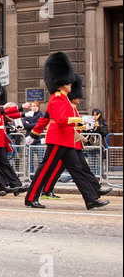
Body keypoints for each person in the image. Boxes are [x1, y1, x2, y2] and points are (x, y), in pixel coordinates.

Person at [24, 52, 109, 210]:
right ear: (61, 82)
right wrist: (81, 120)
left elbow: (45, 119)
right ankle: (30, 198)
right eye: (68, 82)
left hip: (66, 140)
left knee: (78, 171)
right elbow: (62, 120)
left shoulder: (62, 98)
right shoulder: (58, 98)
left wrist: (34, 134)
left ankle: (91, 199)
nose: (71, 83)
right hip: (58, 139)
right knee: (45, 169)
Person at [23, 101, 44, 174]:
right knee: (30, 160)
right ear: (30, 107)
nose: (34, 108)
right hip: (29, 139)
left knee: (41, 159)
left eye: (36, 106)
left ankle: (40, 174)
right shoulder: (27, 115)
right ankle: (30, 175)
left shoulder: (41, 115)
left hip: (39, 139)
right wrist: (36, 124)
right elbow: (25, 125)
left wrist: (31, 124)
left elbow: (41, 124)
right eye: (33, 106)